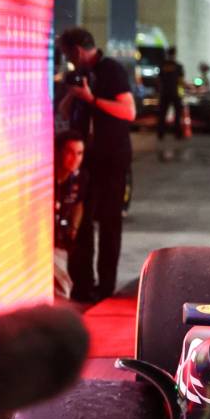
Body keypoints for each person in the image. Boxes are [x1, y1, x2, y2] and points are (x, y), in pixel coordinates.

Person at [57, 27, 136, 302]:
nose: (68, 60)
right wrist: (72, 95)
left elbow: (129, 111)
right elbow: (65, 111)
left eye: (68, 54)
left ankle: (106, 286)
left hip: (112, 158)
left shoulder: (111, 70)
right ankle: (83, 284)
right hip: (85, 160)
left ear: (77, 50)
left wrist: (92, 99)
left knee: (110, 223)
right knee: (83, 221)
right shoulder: (78, 75)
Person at [54, 130, 86, 300]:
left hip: (61, 244)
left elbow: (79, 203)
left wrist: (73, 228)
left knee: (63, 287)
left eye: (79, 153)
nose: (75, 158)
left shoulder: (78, 178)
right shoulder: (46, 179)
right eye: (69, 152)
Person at [156, 47, 184, 140]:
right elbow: (180, 81)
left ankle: (160, 134)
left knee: (162, 114)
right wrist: (181, 94)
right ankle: (177, 133)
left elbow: (158, 80)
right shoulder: (178, 66)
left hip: (164, 93)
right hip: (175, 93)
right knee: (177, 114)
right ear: (175, 54)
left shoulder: (162, 65)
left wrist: (159, 92)